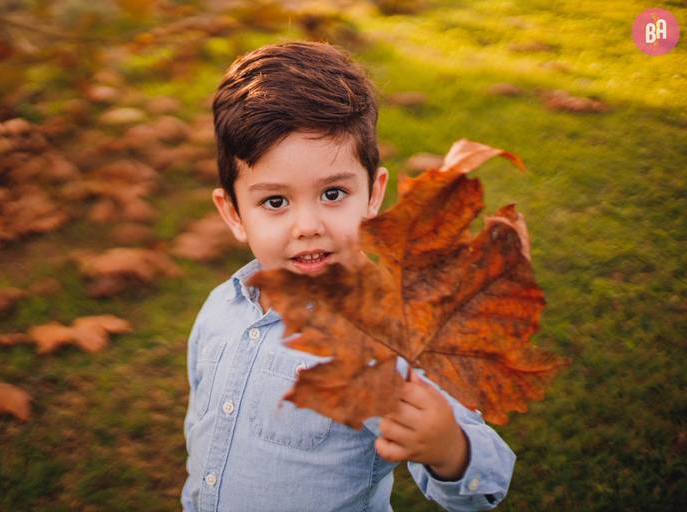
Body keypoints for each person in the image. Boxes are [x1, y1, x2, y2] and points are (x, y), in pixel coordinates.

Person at [181, 41, 515, 511]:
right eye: (275, 202)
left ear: (373, 195)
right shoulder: (220, 307)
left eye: (333, 193)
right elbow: (203, 430)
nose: (308, 226)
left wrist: (448, 450)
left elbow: (490, 479)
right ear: (234, 213)